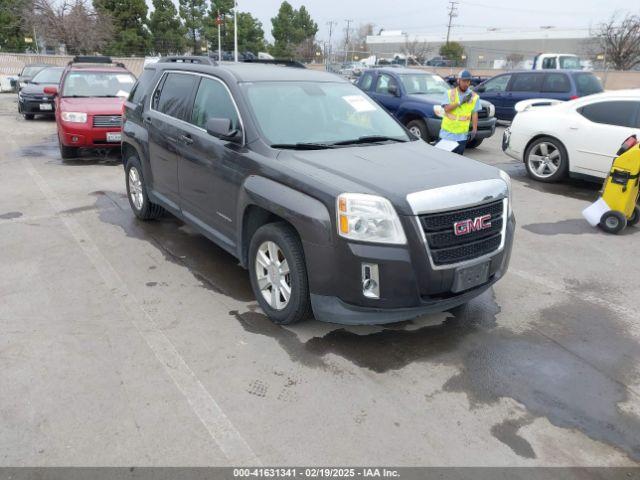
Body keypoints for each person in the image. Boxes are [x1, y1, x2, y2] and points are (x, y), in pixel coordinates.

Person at [439, 69, 481, 155]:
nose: (466, 83)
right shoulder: (449, 93)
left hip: (462, 136)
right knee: (443, 160)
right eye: (464, 81)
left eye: (468, 81)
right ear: (458, 80)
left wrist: (474, 129)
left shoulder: (474, 96)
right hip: (447, 135)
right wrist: (460, 102)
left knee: (458, 161)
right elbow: (446, 109)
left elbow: (474, 113)